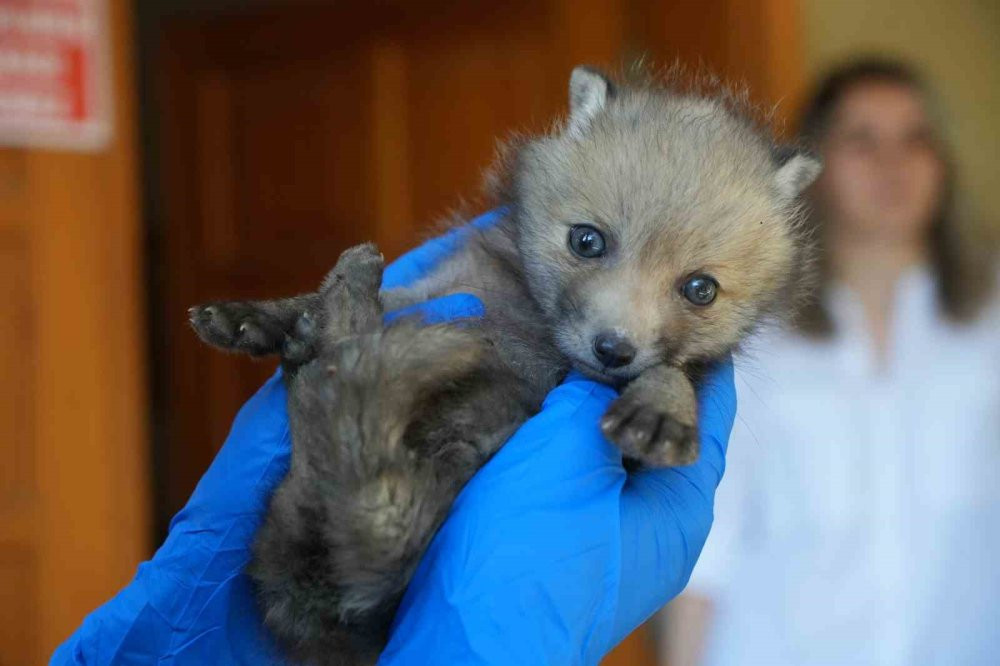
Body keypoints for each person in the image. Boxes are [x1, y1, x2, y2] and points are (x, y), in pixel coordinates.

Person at [51, 210, 737, 665]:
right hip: (329, 573)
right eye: (590, 244)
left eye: (696, 288)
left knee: (377, 494)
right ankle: (339, 373)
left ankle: (338, 373)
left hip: (342, 570)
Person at [660, 59, 1000, 666]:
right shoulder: (749, 325)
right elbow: (708, 540)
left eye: (914, 138)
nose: (892, 164)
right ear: (813, 166)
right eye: (862, 140)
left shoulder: (991, 315)